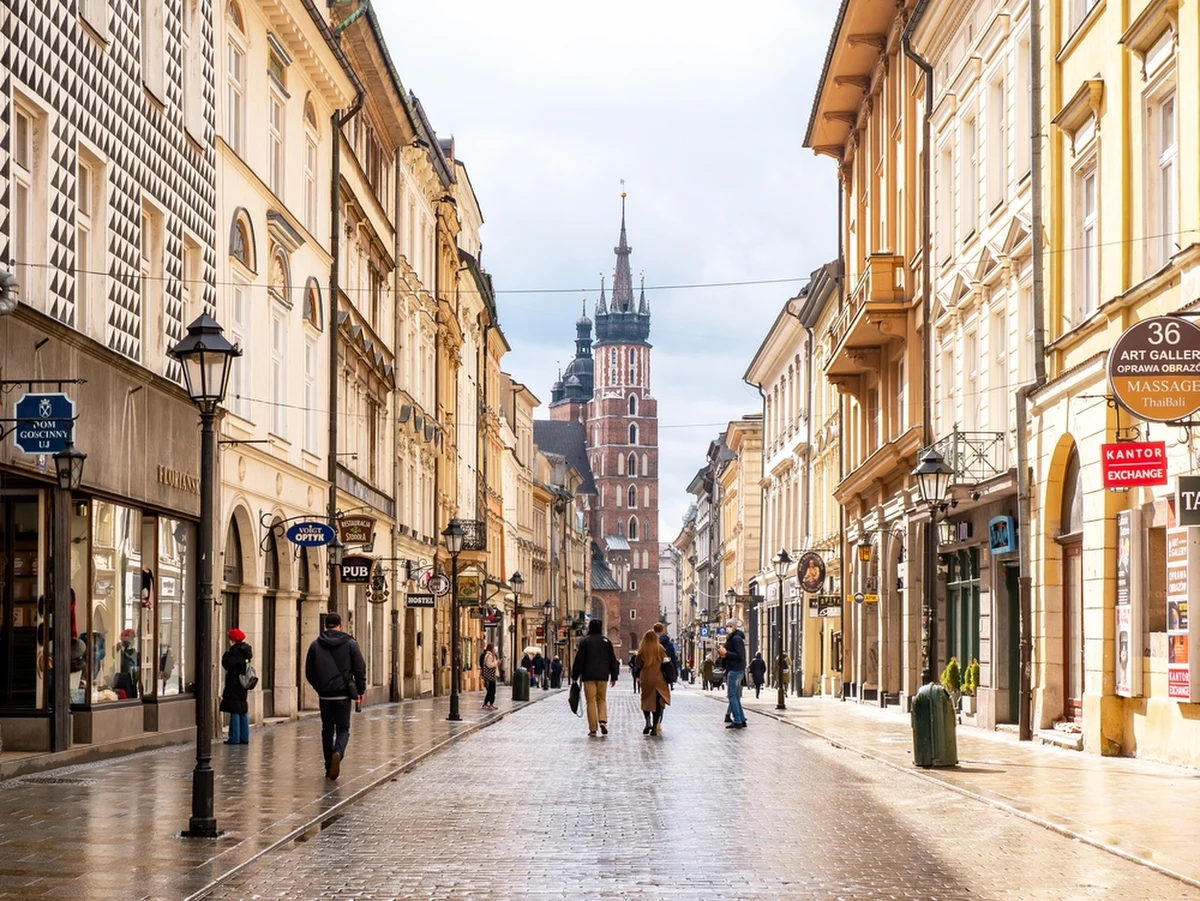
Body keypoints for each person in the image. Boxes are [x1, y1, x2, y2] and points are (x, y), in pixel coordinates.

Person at [304, 612, 366, 780]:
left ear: (325, 625)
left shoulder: (315, 645)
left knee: (327, 730)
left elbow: (309, 672)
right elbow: (360, 669)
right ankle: (338, 751)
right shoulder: (351, 644)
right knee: (343, 728)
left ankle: (328, 765)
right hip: (343, 696)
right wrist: (360, 690)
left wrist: (319, 688)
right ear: (341, 624)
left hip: (325, 696)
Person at [570, 619, 620, 736]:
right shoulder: (606, 642)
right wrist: (614, 676)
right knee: (601, 699)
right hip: (603, 676)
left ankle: (593, 728)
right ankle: (602, 720)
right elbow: (613, 660)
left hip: (588, 676)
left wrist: (574, 675)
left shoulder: (585, 641)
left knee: (591, 701)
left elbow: (579, 660)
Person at [220, 628, 253, 744]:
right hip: (243, 683)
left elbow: (228, 664)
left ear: (233, 640)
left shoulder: (235, 652)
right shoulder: (246, 650)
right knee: (242, 710)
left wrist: (225, 656)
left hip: (234, 683)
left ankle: (234, 738)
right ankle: (244, 737)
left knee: (234, 710)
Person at [635, 630, 671, 736]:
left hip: (646, 678)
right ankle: (655, 726)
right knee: (657, 703)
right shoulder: (660, 648)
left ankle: (648, 722)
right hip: (658, 677)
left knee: (646, 700)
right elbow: (666, 661)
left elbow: (638, 663)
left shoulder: (642, 649)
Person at [718, 618, 748, 729]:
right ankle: (741, 718)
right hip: (734, 669)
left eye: (730, 626)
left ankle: (738, 720)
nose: (727, 628)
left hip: (735, 670)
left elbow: (739, 655)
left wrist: (726, 653)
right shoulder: (734, 638)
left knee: (732, 695)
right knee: (735, 696)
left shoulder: (736, 639)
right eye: (727, 626)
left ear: (735, 627)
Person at [480, 642, 499, 709]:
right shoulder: (489, 655)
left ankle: (489, 704)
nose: (494, 649)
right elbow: (489, 665)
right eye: (493, 648)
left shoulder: (490, 655)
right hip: (490, 676)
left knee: (491, 691)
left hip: (491, 676)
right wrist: (496, 662)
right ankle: (488, 704)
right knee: (492, 691)